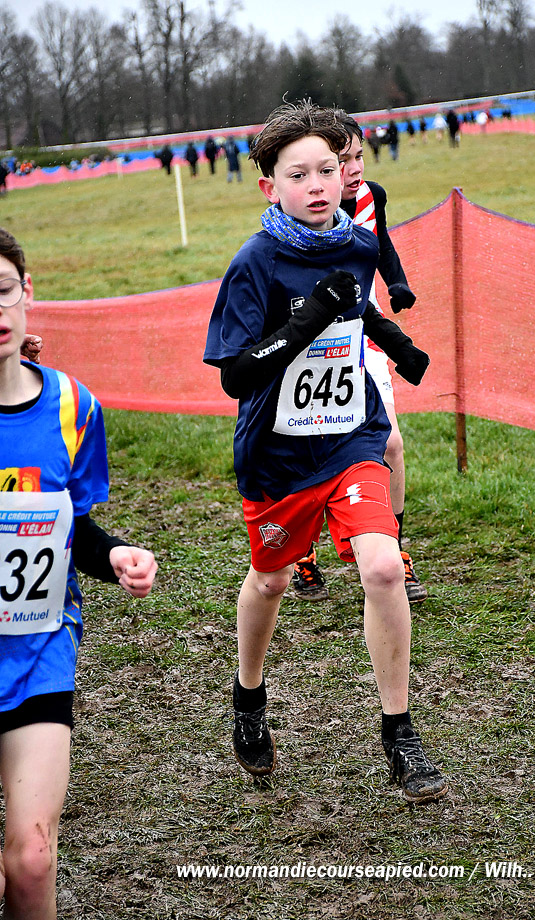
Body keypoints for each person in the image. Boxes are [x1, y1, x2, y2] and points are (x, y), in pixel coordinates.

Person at [203, 101, 448, 805]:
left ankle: (399, 731)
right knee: (270, 582)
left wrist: (394, 340)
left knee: (382, 567)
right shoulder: (254, 264)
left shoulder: (358, 245)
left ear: (345, 176)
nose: (316, 185)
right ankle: (248, 695)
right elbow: (235, 375)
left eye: (326, 170)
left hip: (350, 438)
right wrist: (306, 320)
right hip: (277, 457)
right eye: (297, 174)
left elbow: (354, 306)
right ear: (269, 186)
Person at [0, 227, 158, 917]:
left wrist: (114, 554)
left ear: (27, 293)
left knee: (32, 860)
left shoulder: (73, 406)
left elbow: (73, 526)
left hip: (38, 649)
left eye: (2, 291)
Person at [292, 111, 427, 605]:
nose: (353, 169)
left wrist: (396, 283)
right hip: (312, 344)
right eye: (341, 161)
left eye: (357, 156)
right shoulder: (302, 210)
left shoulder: (373, 196)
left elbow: (380, 242)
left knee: (390, 444)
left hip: (366, 335)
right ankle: (301, 550)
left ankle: (395, 546)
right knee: (311, 450)